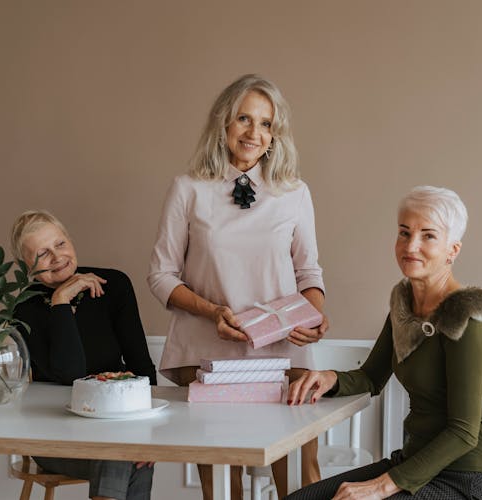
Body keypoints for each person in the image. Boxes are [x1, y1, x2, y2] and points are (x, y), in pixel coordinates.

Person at [148, 73, 328, 500]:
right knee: (221, 483)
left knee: (300, 478)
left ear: (275, 134)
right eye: (244, 119)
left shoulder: (294, 193)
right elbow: (161, 275)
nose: (254, 132)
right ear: (223, 123)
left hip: (284, 354)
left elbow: (309, 274)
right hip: (209, 355)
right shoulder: (188, 188)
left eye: (266, 123)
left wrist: (316, 316)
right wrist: (214, 313)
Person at [286, 186, 482, 500]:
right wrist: (328, 378)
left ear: (453, 249)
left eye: (428, 235)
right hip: (417, 461)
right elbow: (371, 377)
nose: (411, 245)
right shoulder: (403, 307)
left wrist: (382, 486)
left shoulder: (466, 317)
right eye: (404, 233)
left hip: (468, 479)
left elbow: (463, 432)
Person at [11, 209, 157, 500]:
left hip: (117, 428)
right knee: (119, 451)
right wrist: (61, 302)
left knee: (126, 450)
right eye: (42, 254)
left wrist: (148, 436)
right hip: (52, 436)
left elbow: (140, 363)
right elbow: (70, 374)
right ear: (26, 267)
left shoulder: (113, 285)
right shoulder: (25, 310)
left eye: (60, 244)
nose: (56, 257)